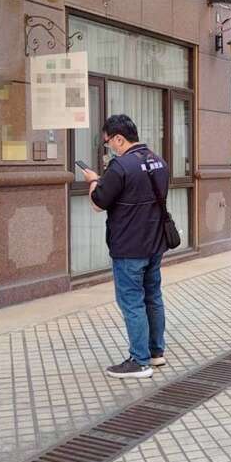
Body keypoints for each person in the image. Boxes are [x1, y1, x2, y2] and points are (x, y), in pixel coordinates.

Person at [81, 114, 169, 380]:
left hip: (129, 246)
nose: (109, 146)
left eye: (108, 142)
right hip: (155, 243)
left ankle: (139, 361)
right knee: (153, 297)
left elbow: (98, 203)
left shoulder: (120, 166)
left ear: (119, 138)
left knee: (132, 302)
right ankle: (155, 352)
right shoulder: (158, 160)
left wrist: (93, 180)